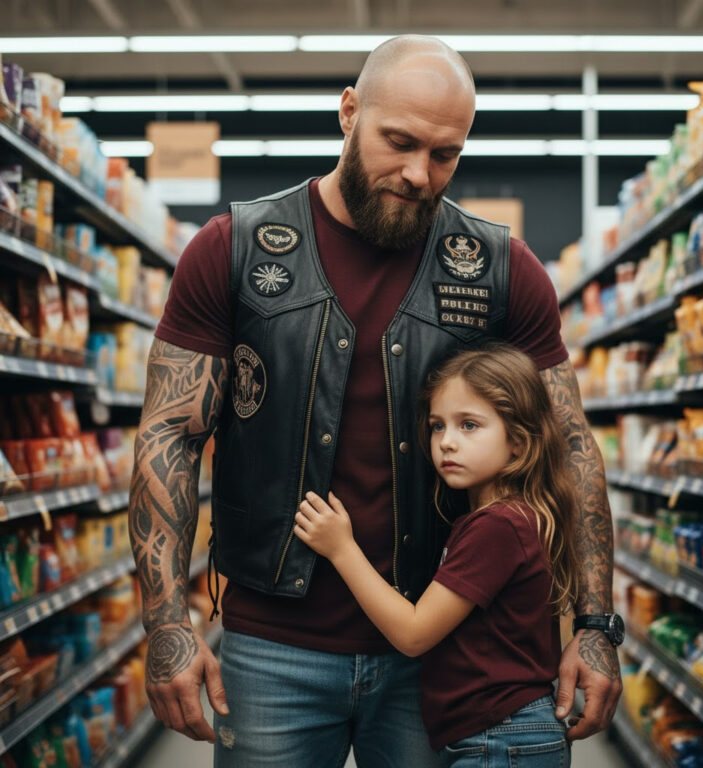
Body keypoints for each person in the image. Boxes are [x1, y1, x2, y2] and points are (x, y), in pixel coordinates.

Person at [129, 33, 621, 768]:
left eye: (446, 154)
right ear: (349, 112)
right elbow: (170, 433)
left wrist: (594, 624)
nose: (420, 173)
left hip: (443, 651)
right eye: (400, 142)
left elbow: (570, 445)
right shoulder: (234, 250)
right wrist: (167, 622)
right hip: (271, 647)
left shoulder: (499, 271)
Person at [295, 344, 579, 766]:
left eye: (469, 425)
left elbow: (414, 634)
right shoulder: (513, 517)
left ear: (518, 443)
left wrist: (342, 549)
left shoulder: (498, 527)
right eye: (437, 426)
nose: (446, 442)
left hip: (501, 736)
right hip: (504, 732)